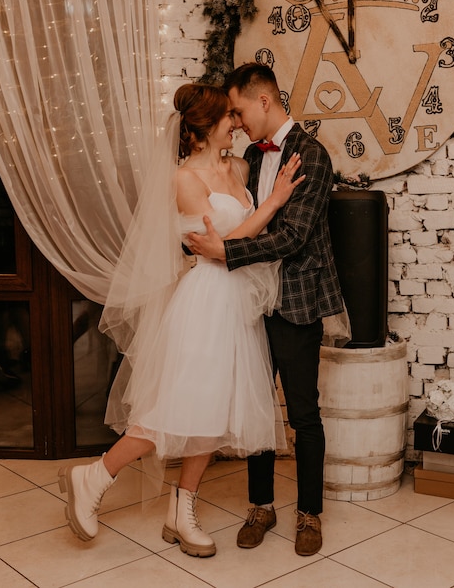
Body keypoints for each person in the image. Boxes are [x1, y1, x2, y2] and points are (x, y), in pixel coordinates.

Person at [58, 83, 304, 558]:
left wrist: (262, 207)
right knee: (171, 412)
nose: (236, 124)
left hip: (239, 307)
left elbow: (235, 244)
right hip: (206, 303)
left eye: (237, 116)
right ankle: (93, 477)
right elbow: (226, 244)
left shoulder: (239, 167)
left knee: (210, 417)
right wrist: (272, 203)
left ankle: (181, 508)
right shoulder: (184, 180)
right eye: (227, 118)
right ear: (201, 130)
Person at [186, 63, 347, 557]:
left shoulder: (313, 156)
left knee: (303, 413)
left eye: (238, 110)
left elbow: (293, 237)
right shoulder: (252, 157)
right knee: (257, 405)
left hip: (297, 301)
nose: (235, 121)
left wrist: (225, 253)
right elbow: (247, 216)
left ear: (263, 101)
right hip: (252, 301)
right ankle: (261, 506)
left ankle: (309, 514)